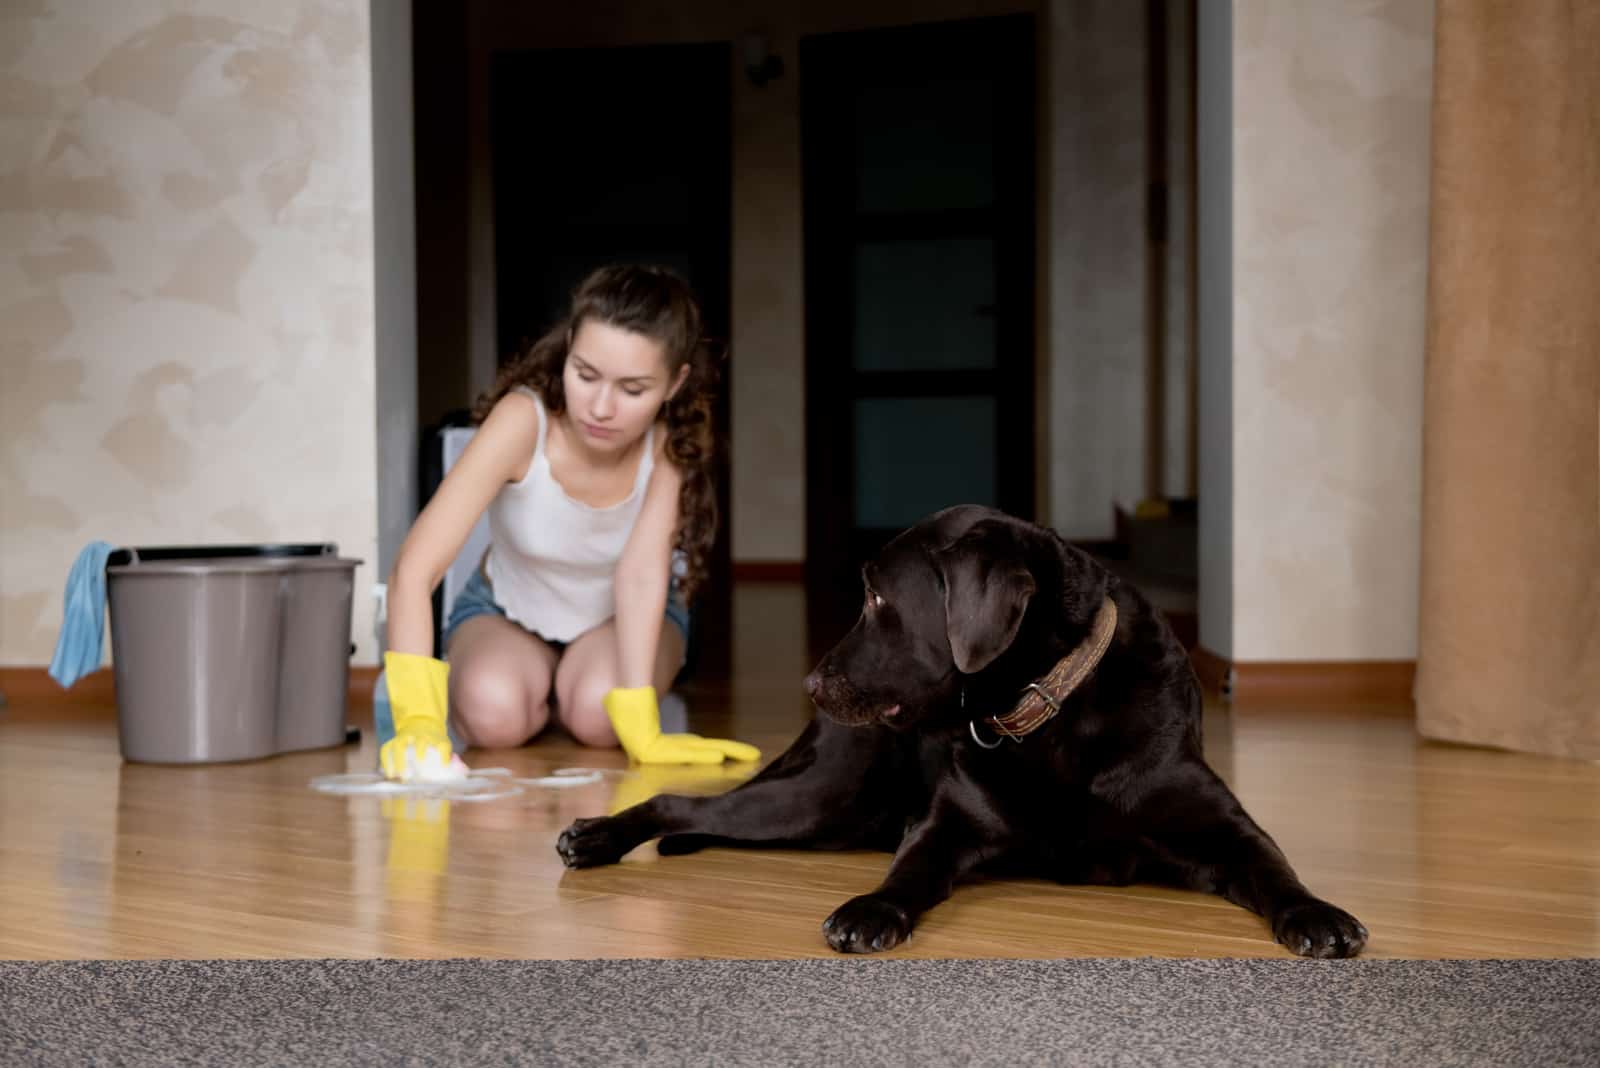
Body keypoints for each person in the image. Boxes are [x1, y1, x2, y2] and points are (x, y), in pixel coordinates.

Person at [378, 265, 759, 781]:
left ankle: (570, 690)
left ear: (675, 383)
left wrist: (641, 725)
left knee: (600, 719)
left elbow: (643, 576)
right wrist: (418, 721)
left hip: (618, 620)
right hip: (506, 610)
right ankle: (538, 685)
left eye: (633, 388)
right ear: (568, 350)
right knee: (493, 716)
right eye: (585, 374)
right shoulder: (521, 421)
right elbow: (415, 567)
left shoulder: (672, 445)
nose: (601, 408)